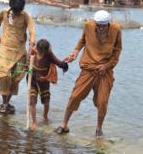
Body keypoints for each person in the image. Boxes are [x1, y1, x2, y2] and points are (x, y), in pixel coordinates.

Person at [54, 10, 122, 138]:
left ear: (108, 23)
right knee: (75, 96)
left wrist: (107, 66)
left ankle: (98, 129)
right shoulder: (89, 26)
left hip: (105, 71)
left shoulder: (116, 29)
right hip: (88, 68)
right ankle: (64, 125)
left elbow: (117, 52)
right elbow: (82, 40)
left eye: (103, 25)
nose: (100, 27)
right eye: (98, 25)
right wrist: (75, 52)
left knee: (102, 102)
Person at [0, 0, 36, 114]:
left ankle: (6, 103)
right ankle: (4, 104)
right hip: (5, 50)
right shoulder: (4, 13)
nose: (16, 12)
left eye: (18, 11)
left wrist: (31, 45)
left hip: (19, 52)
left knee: (15, 79)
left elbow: (32, 31)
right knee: (4, 76)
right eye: (14, 10)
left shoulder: (26, 16)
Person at [29, 39, 68, 130]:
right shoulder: (32, 51)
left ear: (46, 51)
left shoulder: (49, 55)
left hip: (44, 82)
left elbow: (59, 63)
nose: (41, 54)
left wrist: (65, 65)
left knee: (46, 102)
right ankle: (34, 122)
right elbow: (26, 62)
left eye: (43, 52)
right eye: (40, 52)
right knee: (32, 101)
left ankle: (45, 116)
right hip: (33, 80)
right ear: (37, 49)